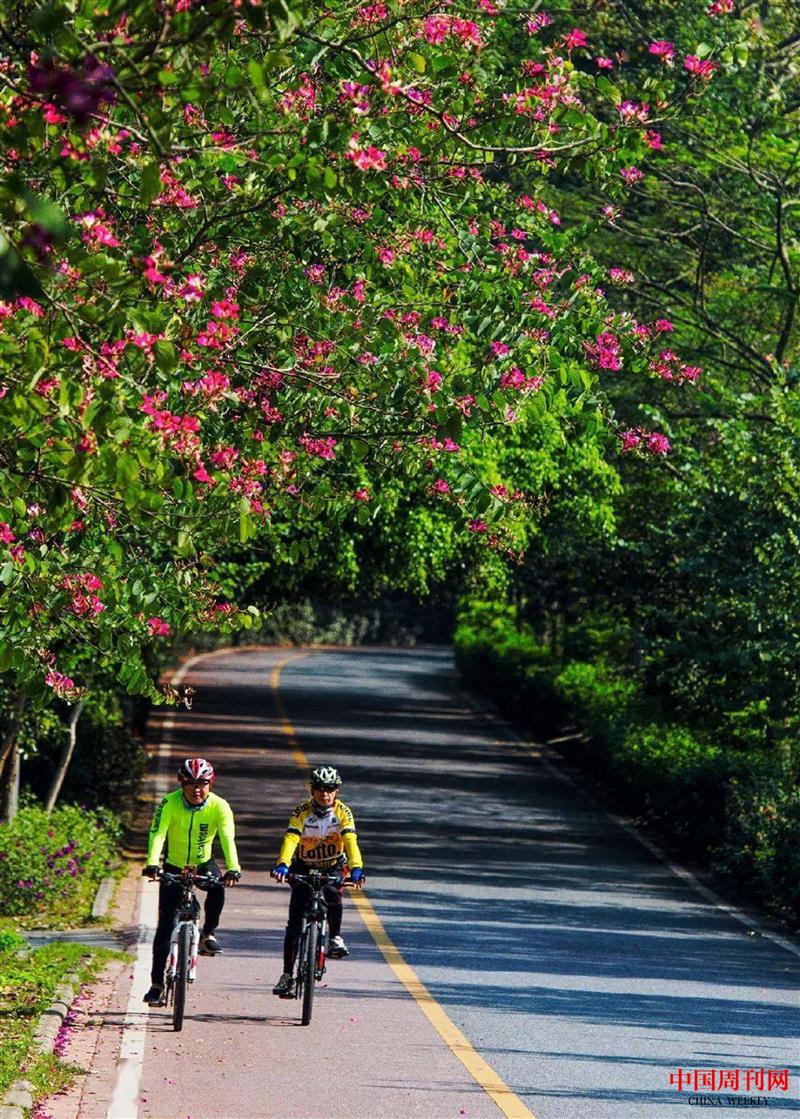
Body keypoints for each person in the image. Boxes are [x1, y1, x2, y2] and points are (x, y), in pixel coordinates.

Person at [141, 757, 242, 1006]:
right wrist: (153, 863)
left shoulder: (220, 806)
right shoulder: (169, 803)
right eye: (190, 784)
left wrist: (233, 867)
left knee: (218, 888)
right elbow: (158, 834)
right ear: (181, 783)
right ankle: (156, 984)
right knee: (165, 926)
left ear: (211, 784)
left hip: (203, 861)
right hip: (174, 865)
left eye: (203, 784)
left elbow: (228, 839)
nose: (197, 789)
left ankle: (208, 932)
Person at [271, 765, 364, 997]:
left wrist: (356, 868)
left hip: (332, 864)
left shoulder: (343, 812)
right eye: (320, 789)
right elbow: (291, 837)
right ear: (312, 791)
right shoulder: (301, 811)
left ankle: (335, 937)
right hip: (303, 865)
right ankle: (286, 976)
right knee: (294, 924)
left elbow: (350, 840)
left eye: (330, 789)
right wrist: (283, 863)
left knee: (333, 894)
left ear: (337, 791)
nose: (325, 794)